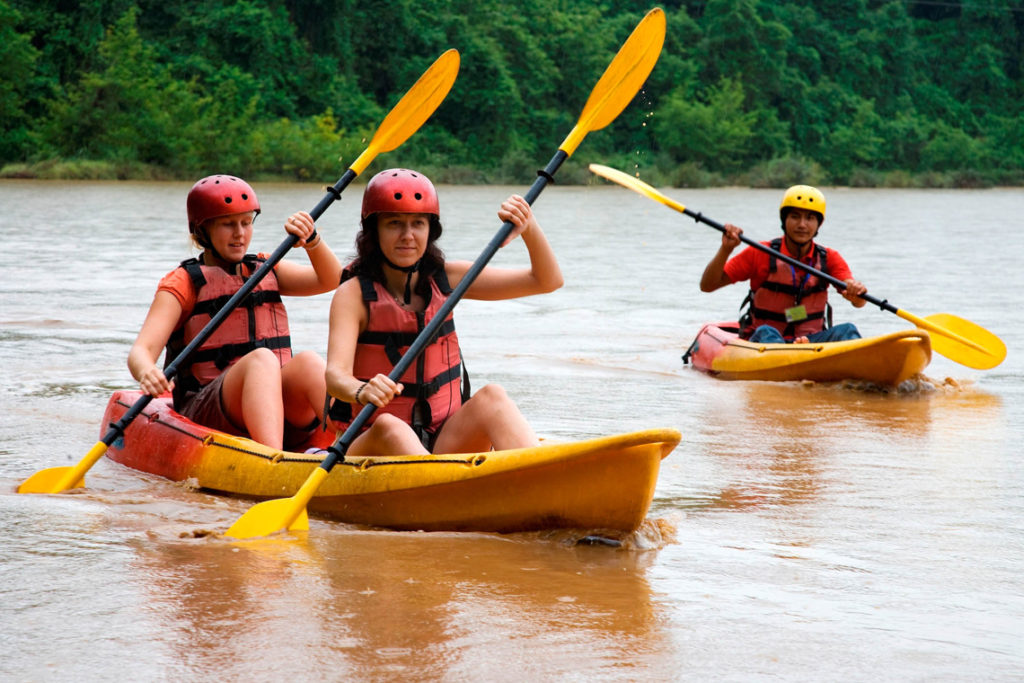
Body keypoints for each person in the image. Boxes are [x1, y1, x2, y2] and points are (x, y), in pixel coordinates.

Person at [324, 168, 563, 456]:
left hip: (441, 439)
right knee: (391, 425)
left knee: (492, 397)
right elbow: (335, 376)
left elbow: (547, 281)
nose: (408, 236)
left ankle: (536, 477)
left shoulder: (448, 279)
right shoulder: (353, 295)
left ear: (430, 230)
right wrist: (361, 390)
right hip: (370, 444)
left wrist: (529, 228)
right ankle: (438, 491)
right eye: (394, 223)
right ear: (374, 231)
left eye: (418, 224)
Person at [128, 174, 343, 450]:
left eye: (245, 222)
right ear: (202, 231)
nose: (240, 233)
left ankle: (355, 444)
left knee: (309, 363)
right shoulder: (183, 282)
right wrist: (147, 371)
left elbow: (331, 279)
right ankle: (272, 461)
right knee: (262, 360)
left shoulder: (266, 268)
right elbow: (140, 351)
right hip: (209, 410)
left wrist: (312, 241)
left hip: (280, 410)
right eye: (228, 224)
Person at [700, 184, 867, 344]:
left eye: (809, 218)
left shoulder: (829, 258)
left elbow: (858, 301)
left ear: (818, 224)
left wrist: (854, 290)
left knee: (847, 330)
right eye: (795, 216)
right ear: (784, 220)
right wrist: (725, 249)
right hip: (764, 341)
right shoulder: (760, 252)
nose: (802, 224)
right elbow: (707, 285)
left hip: (811, 340)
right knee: (767, 331)